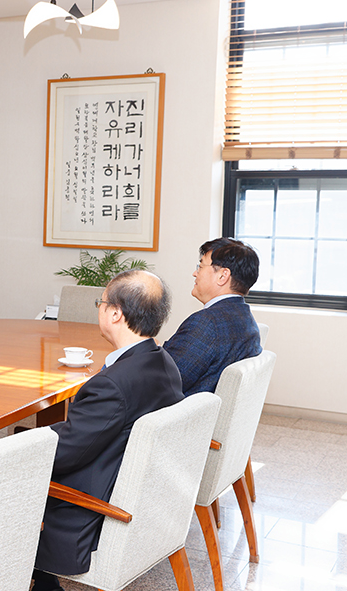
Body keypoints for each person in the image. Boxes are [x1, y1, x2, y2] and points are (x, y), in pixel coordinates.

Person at [32, 270, 183, 591]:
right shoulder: (163, 363)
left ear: (115, 313)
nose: (99, 308)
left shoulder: (112, 385)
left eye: (101, 302)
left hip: (89, 512)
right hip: (138, 499)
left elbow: (64, 455)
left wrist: (18, 447)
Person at [163, 237, 262, 397]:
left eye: (200, 266)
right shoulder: (245, 317)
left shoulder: (206, 323)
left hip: (181, 414)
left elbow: (164, 381)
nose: (195, 273)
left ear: (223, 276)